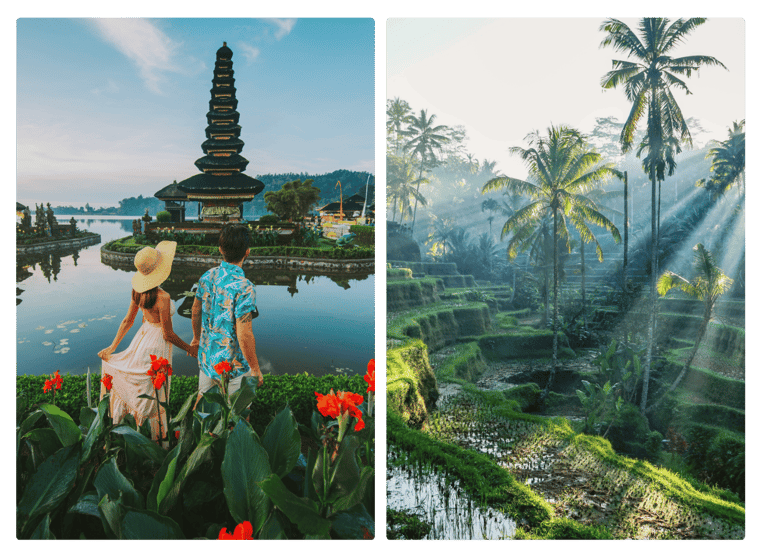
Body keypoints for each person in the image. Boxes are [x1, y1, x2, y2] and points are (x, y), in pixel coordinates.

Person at [98, 241, 195, 441]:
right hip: (157, 343)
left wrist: (112, 347)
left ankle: (136, 431)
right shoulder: (163, 297)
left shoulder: (137, 292)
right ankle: (157, 438)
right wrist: (189, 348)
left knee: (144, 383)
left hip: (141, 339)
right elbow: (168, 334)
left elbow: (128, 321)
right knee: (155, 389)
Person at [191, 223, 263, 404]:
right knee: (238, 414)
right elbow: (244, 332)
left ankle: (189, 433)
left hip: (208, 357)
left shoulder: (207, 276)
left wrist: (196, 338)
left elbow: (195, 310)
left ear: (220, 249)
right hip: (233, 365)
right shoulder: (244, 287)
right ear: (247, 252)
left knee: (202, 407)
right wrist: (255, 368)